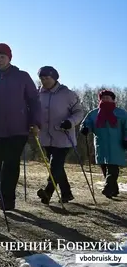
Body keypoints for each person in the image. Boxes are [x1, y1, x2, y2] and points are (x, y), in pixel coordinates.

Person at [0, 43, 41, 210]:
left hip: (18, 128)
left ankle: (7, 199)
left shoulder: (22, 76)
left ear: (9, 58)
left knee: (11, 161)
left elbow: (34, 100)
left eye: (2, 57)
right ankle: (3, 193)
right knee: (1, 162)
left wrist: (35, 122)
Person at [35, 66, 84, 204]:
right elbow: (34, 111)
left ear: (55, 78)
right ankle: (66, 193)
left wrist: (70, 122)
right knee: (58, 166)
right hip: (45, 136)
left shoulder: (67, 94)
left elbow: (79, 112)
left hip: (63, 136)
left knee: (55, 164)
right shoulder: (38, 94)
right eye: (42, 78)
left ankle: (48, 192)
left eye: (47, 78)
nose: (45, 81)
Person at [81, 90, 127, 198]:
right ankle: (113, 190)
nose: (105, 99)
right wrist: (85, 129)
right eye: (103, 97)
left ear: (113, 99)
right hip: (101, 144)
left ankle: (107, 188)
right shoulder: (94, 113)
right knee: (104, 167)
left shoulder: (121, 113)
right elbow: (86, 123)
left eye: (108, 97)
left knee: (113, 168)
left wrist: (126, 138)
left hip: (117, 144)